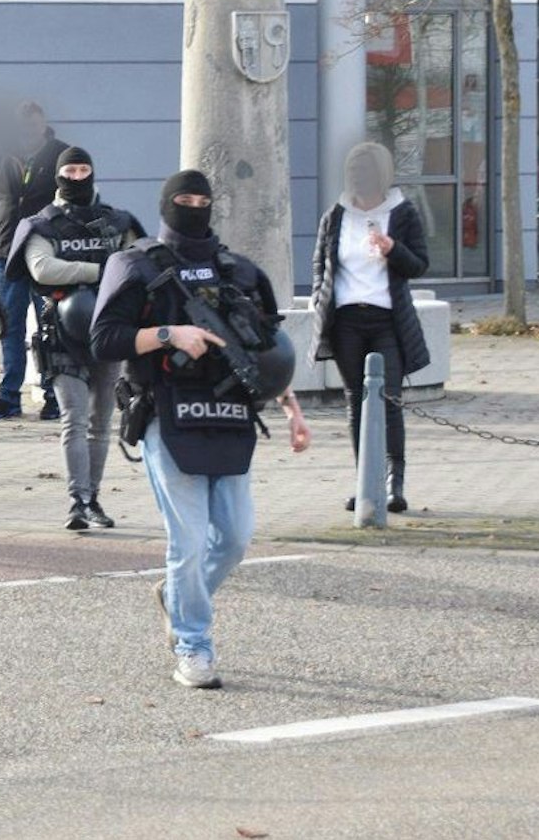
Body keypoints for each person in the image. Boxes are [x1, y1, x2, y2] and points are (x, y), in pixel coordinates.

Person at [91, 170, 310, 688]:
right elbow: (103, 339)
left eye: (202, 200)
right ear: (166, 204)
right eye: (183, 200)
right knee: (186, 541)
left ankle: (175, 595)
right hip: (166, 413)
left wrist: (291, 405)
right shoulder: (134, 265)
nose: (193, 208)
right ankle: (194, 644)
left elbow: (263, 350)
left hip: (231, 416)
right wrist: (170, 333)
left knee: (234, 539)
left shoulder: (242, 272)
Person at [6, 147, 145, 531]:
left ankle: (93, 499)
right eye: (71, 169)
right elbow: (42, 267)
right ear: (58, 175)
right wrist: (100, 270)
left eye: (84, 169)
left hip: (108, 332)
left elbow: (137, 265)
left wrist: (99, 274)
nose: (78, 176)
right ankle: (77, 501)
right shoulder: (42, 224)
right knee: (74, 418)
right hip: (61, 336)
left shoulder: (118, 221)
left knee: (101, 422)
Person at [309, 144, 430, 514]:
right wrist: (319, 296)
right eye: (352, 176)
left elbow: (419, 265)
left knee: (388, 400)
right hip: (346, 321)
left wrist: (393, 248)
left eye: (364, 176)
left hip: (387, 321)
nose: (358, 184)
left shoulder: (403, 212)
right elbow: (321, 263)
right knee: (354, 402)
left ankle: (394, 485)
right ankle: (366, 482)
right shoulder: (336, 215)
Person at [0, 101, 70, 422]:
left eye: (33, 124)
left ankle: (53, 395)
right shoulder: (2, 157)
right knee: (11, 326)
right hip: (9, 258)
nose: (28, 131)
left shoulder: (61, 155)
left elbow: (73, 202)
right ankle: (9, 397)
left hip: (46, 257)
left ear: (42, 125)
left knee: (51, 327)